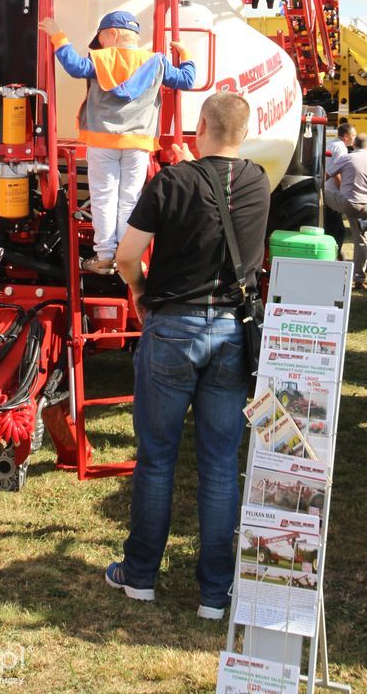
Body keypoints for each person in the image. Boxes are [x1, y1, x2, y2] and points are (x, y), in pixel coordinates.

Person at [105, 92, 270, 618]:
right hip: (230, 331)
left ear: (201, 126)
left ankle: (141, 576)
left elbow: (127, 255)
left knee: (157, 459)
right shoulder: (258, 181)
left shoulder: (171, 180)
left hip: (171, 326)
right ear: (245, 133)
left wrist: (137, 288)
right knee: (221, 465)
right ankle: (214, 594)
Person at [40, 10, 196, 273]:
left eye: (100, 38)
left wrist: (58, 37)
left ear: (111, 34)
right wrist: (187, 57)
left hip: (102, 141)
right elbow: (187, 80)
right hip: (138, 143)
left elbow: (75, 67)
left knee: (104, 197)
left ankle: (103, 255)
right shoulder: (156, 62)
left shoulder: (100, 59)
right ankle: (126, 255)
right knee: (130, 198)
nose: (99, 44)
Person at [325, 133, 367, 289]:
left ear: (353, 145)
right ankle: (359, 278)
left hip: (348, 203)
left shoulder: (347, 158)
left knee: (321, 189)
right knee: (361, 242)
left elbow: (327, 174)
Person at [323, 122, 355, 257]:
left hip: (326, 189)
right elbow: (337, 171)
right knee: (337, 230)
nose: (355, 138)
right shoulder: (341, 148)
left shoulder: (331, 143)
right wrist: (343, 190)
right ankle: (333, 255)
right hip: (334, 192)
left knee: (331, 226)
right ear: (346, 136)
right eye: (353, 135)